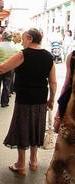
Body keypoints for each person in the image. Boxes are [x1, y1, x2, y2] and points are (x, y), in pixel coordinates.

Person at [0, 28, 57, 176]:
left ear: (29, 38)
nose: (21, 41)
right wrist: (51, 100)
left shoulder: (24, 54)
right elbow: (53, 82)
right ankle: (34, 161)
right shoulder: (49, 56)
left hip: (24, 98)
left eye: (23, 39)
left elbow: (2, 68)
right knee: (36, 127)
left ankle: (21, 164)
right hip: (41, 98)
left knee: (22, 127)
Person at [46, 50, 75, 183]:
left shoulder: (73, 56)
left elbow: (66, 86)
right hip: (71, 116)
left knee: (63, 159)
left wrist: (58, 115)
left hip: (71, 116)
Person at [0, 31, 18, 107]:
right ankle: (4, 102)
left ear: (3, 37)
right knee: (7, 85)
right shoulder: (14, 47)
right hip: (9, 68)